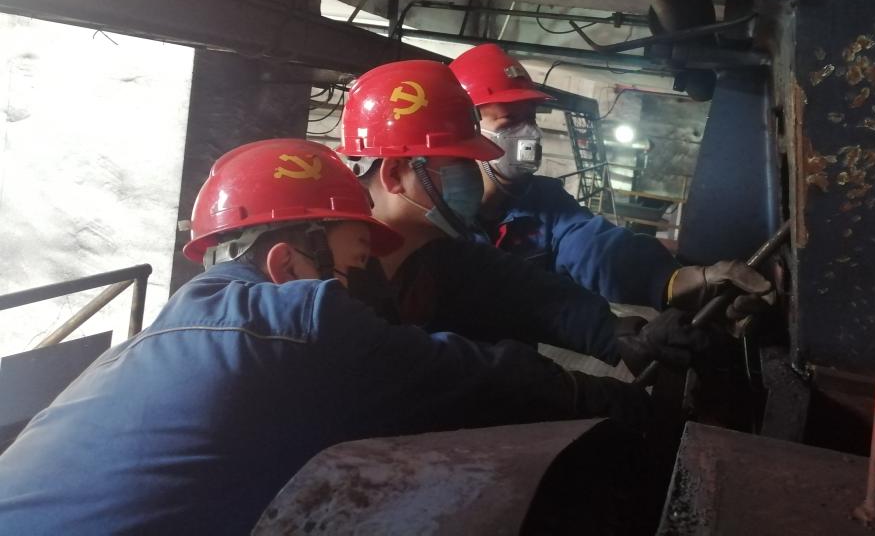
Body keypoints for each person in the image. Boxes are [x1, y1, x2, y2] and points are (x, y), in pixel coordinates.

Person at [0, 139, 650, 536]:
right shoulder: (287, 323)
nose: (361, 282)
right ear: (287, 263)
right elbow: (456, 376)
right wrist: (595, 397)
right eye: (355, 260)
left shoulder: (186, 324)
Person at [337, 59, 710, 375]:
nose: (527, 133)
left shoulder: (447, 246)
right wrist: (562, 391)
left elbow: (532, 293)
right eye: (460, 161)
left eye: (530, 118)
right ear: (395, 174)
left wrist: (624, 329)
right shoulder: (333, 271)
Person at [449, 43, 772, 316]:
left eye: (531, 118)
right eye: (510, 120)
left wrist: (677, 280)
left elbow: (598, 250)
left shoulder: (544, 202)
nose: (529, 134)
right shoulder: (437, 221)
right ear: (466, 128)